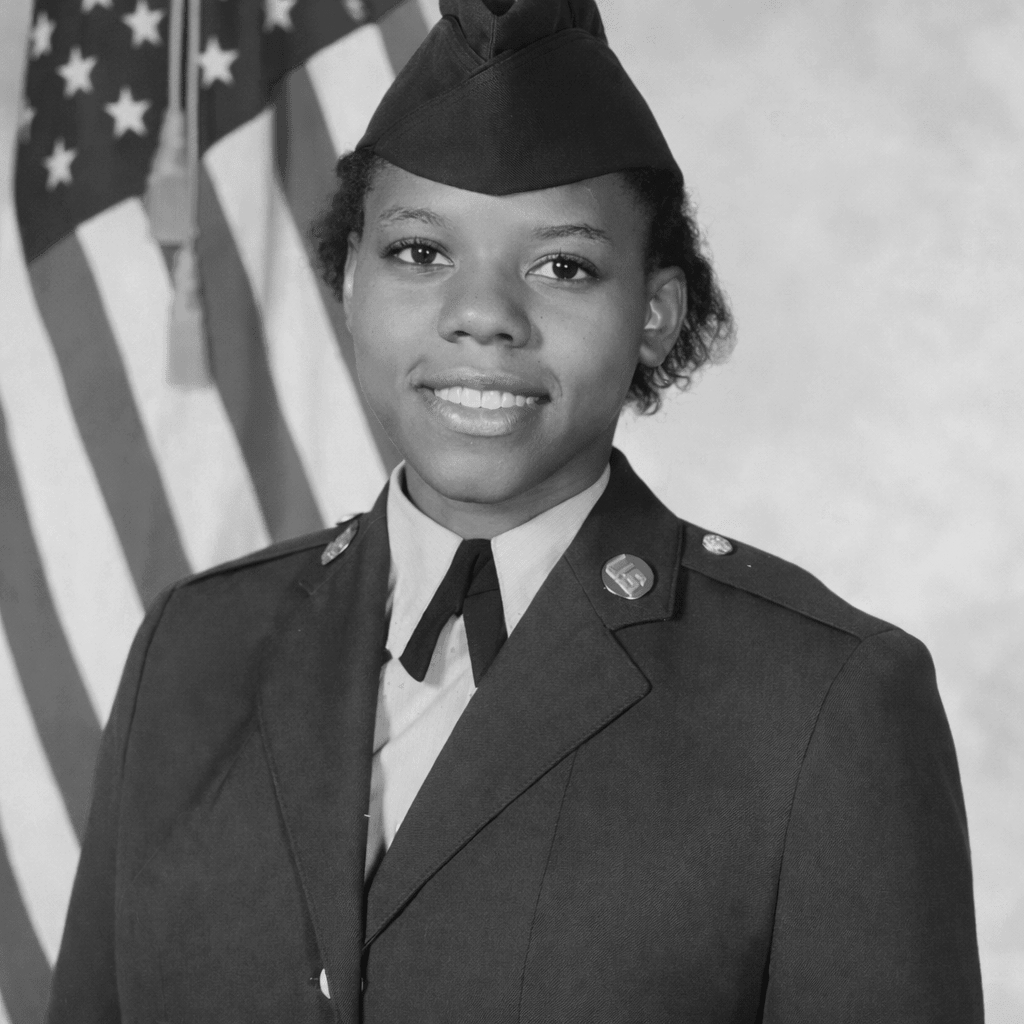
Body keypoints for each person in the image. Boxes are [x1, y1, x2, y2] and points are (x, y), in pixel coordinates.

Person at [47, 1, 984, 1021]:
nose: (481, 313)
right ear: (351, 277)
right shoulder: (196, 648)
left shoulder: (820, 705)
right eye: (418, 252)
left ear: (656, 313)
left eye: (562, 266)